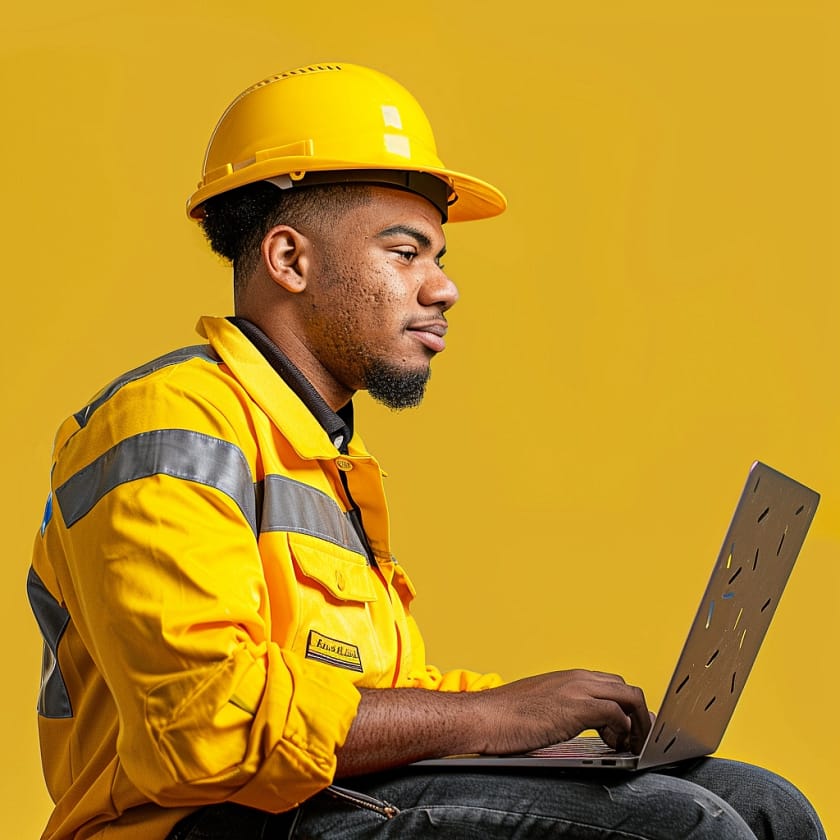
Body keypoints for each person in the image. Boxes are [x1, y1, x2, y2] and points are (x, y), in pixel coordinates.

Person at [28, 62, 825, 840]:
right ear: (289, 259)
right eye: (406, 253)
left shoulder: (320, 452)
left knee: (761, 805)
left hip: (330, 797)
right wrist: (488, 718)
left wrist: (539, 721)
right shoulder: (169, 425)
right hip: (200, 823)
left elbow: (373, 697)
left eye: (438, 259)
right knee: (684, 824)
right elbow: (203, 729)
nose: (442, 288)